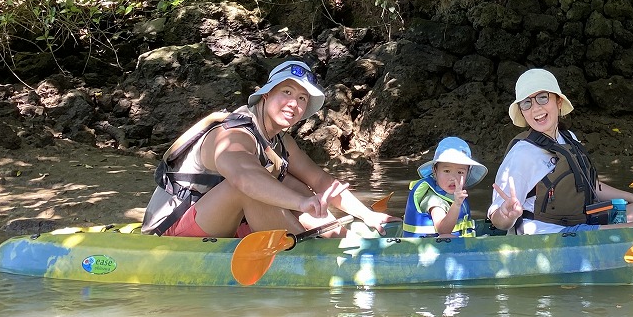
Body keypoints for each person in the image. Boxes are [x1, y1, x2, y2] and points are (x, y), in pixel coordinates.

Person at [141, 59, 391, 239]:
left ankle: (339, 239)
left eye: (302, 98)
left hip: (224, 223)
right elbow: (244, 178)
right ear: (266, 95)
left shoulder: (281, 142)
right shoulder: (232, 135)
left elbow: (320, 181)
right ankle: (304, 256)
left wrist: (366, 214)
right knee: (253, 189)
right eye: (287, 92)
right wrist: (302, 203)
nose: (293, 103)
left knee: (292, 182)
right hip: (171, 231)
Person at [487, 68, 633, 234]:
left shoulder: (568, 138)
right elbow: (497, 216)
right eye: (526, 103)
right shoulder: (522, 154)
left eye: (542, 98)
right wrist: (506, 216)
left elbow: (589, 184)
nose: (535, 108)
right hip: (550, 233)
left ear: (558, 102)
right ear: (522, 111)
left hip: (579, 219)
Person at [402, 136, 488, 237]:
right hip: (431, 245)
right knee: (446, 236)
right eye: (447, 171)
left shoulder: (456, 195)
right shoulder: (433, 199)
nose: (453, 178)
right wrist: (456, 204)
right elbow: (443, 230)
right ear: (435, 171)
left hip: (458, 244)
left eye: (460, 172)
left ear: (467, 173)